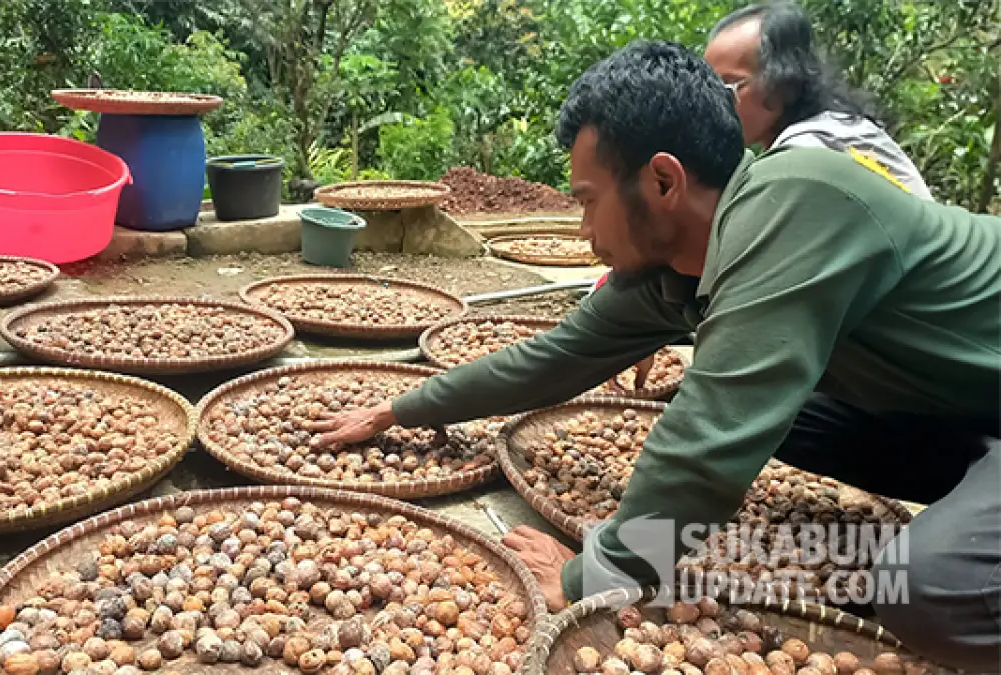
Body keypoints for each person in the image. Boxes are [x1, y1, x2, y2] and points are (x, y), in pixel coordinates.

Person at [312, 41, 1001, 670]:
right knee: (785, 416)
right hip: (962, 404)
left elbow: (710, 437)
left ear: (664, 181)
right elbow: (558, 356)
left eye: (587, 202)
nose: (584, 232)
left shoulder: (797, 203)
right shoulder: (672, 269)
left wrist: (593, 571)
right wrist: (401, 405)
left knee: (931, 588)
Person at [705, 2, 932, 199]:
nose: (715, 103)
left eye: (730, 86)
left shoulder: (806, 153)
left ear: (783, 82)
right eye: (710, 88)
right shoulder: (841, 128)